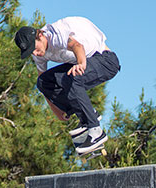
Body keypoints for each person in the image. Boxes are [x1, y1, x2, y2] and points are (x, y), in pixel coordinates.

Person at [14, 17, 120, 154]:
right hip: (87, 63)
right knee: (43, 82)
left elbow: (77, 46)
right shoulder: (37, 53)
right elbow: (43, 82)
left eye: (34, 48)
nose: (35, 53)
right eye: (31, 52)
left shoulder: (56, 35)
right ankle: (87, 116)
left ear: (40, 36)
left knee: (73, 76)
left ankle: (96, 131)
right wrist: (56, 110)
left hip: (105, 61)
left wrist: (81, 64)